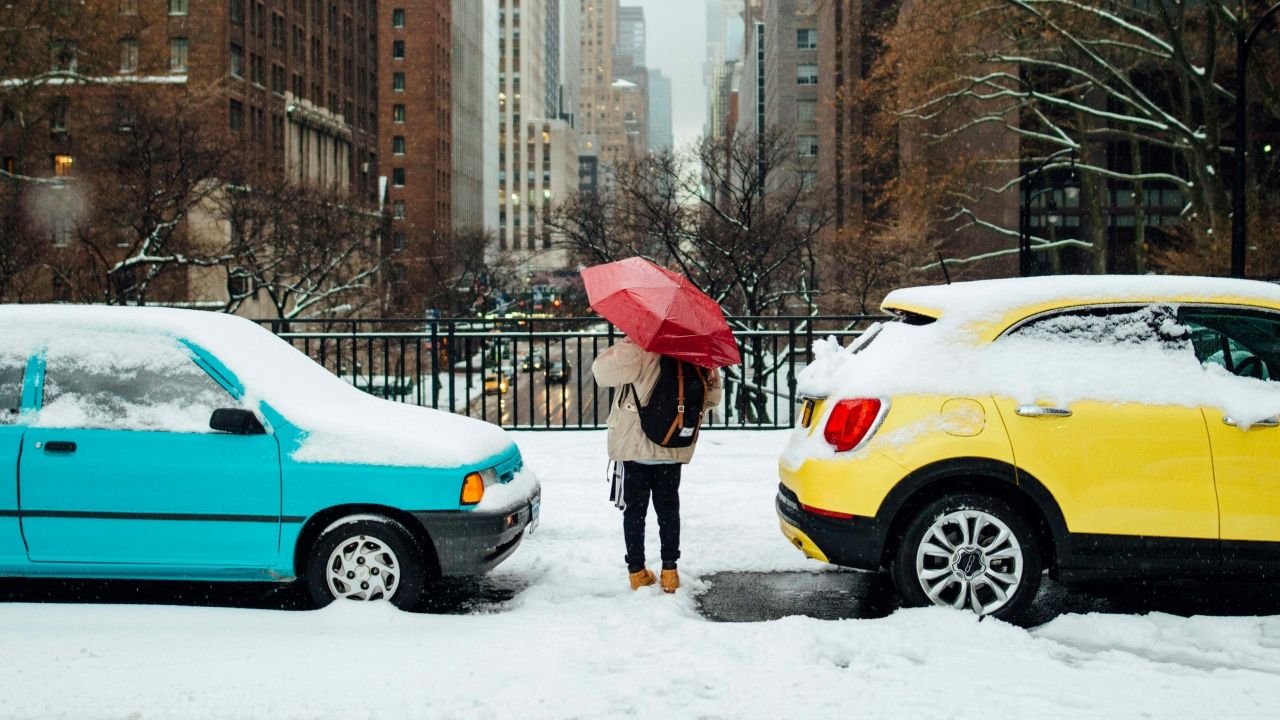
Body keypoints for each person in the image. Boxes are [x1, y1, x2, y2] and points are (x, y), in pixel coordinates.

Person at [592, 338, 722, 593]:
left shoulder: (640, 348)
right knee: (668, 509)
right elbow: (712, 398)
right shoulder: (695, 349)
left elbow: (601, 372)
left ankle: (637, 572)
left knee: (634, 511)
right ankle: (670, 572)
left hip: (636, 447)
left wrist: (624, 343)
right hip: (673, 446)